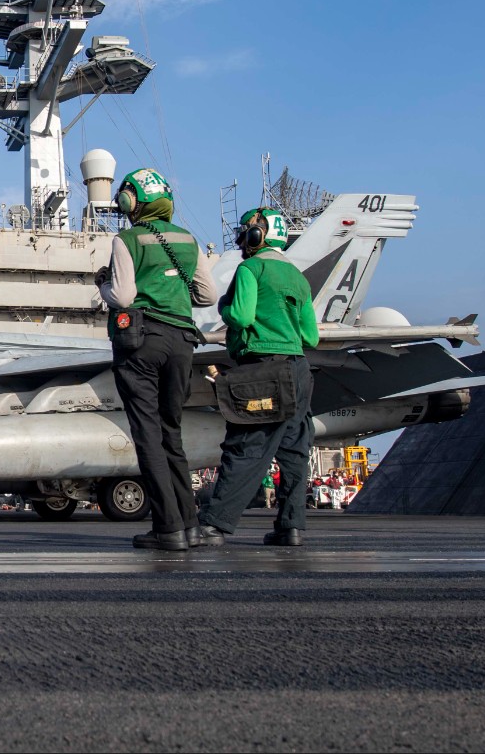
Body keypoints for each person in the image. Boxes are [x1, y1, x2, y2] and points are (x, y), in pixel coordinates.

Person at [96, 168, 217, 551]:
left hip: (142, 341)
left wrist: (101, 283)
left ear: (133, 200)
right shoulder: (187, 239)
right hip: (182, 341)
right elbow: (207, 295)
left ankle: (167, 528)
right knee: (171, 433)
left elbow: (124, 296)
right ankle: (190, 525)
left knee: (147, 434)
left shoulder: (127, 239)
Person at [197, 208, 319, 547]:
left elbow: (240, 315)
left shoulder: (251, 268)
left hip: (263, 367)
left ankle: (214, 526)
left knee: (247, 445)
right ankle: (290, 527)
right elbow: (311, 337)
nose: (241, 239)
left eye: (245, 232)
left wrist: (224, 307)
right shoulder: (299, 277)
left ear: (257, 235)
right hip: (298, 369)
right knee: (295, 450)